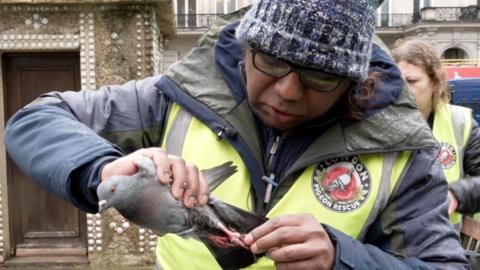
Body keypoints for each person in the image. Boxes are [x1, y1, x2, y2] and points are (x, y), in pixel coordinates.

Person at [4, 1, 469, 269]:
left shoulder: (403, 147)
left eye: (320, 77)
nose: (287, 91)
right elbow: (34, 120)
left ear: (354, 83)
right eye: (271, 61)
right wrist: (103, 166)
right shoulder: (178, 97)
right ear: (245, 50)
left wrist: (342, 259)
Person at [392, 39, 480, 228]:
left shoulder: (460, 123)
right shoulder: (376, 122)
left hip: (442, 244)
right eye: (397, 81)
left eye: (412, 81)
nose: (402, 90)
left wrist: (456, 195)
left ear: (435, 82)